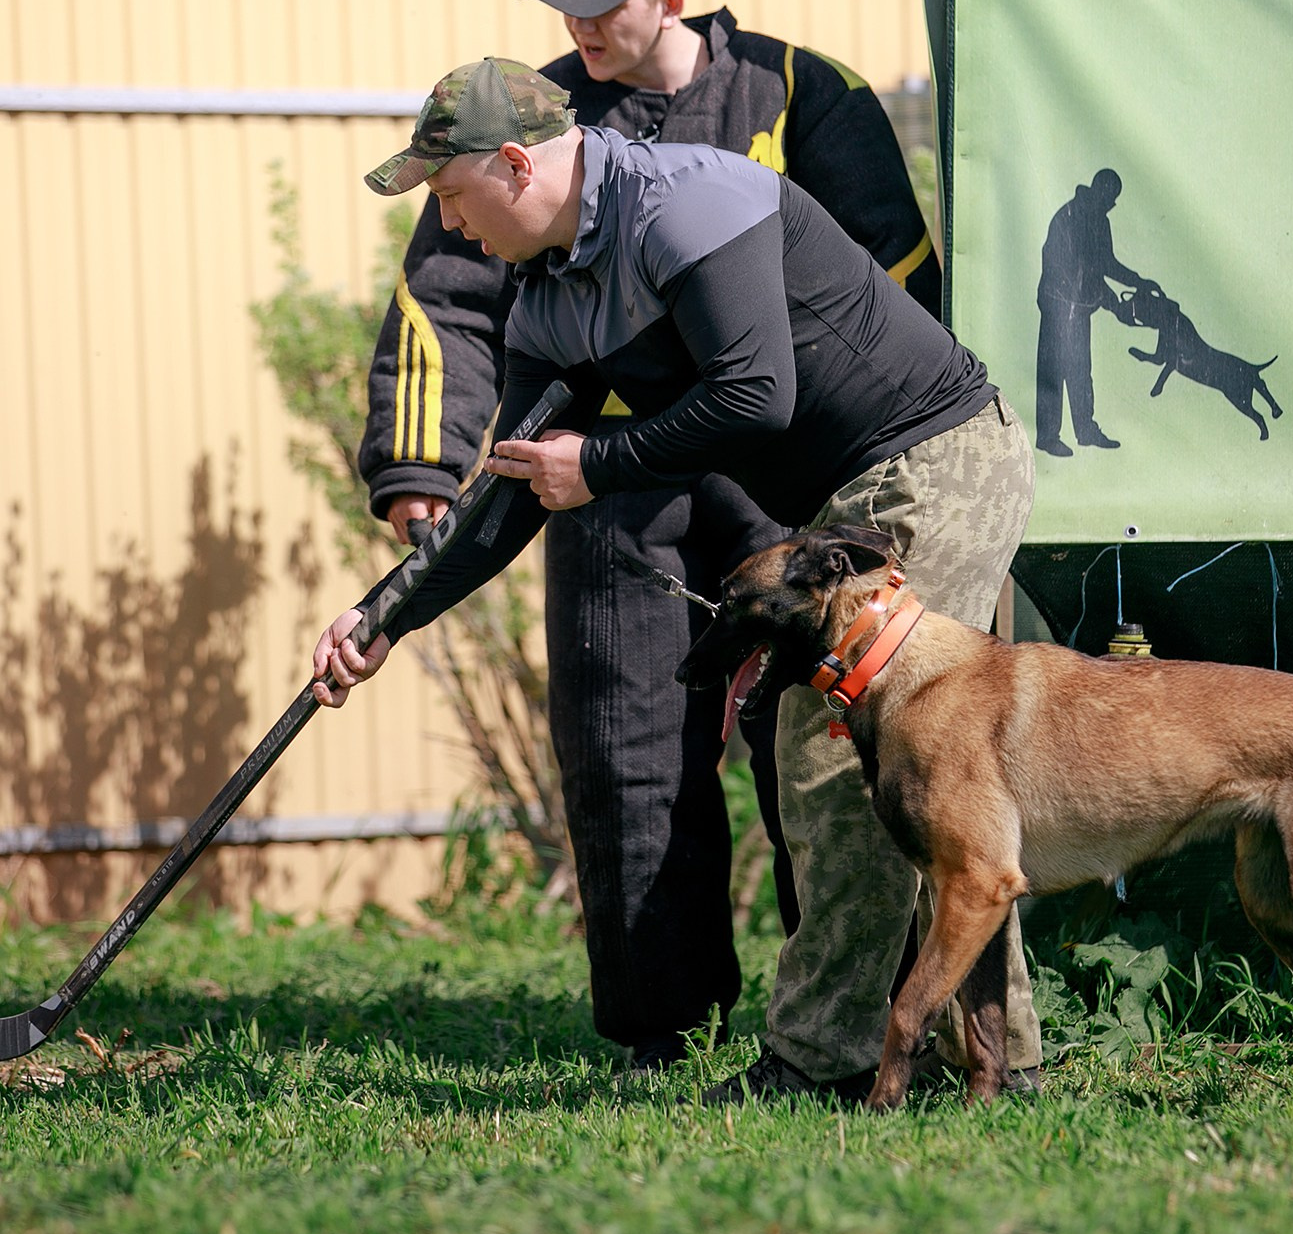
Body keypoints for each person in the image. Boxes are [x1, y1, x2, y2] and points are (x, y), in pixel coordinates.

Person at [321, 58, 1040, 1104]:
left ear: (515, 165)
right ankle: (993, 1061)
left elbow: (755, 393)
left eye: (449, 198)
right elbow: (506, 497)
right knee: (916, 773)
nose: (449, 229)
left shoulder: (692, 199)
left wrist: (599, 464)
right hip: (845, 503)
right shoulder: (549, 296)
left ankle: (820, 1062)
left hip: (936, 460)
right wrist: (383, 617)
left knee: (840, 762)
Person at [1034, 167, 1147, 456]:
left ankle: (1085, 430)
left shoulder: (1099, 220)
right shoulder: (1069, 218)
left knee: (1081, 369)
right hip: (1058, 302)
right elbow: (1078, 272)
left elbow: (1106, 263)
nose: (1113, 204)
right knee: (1053, 368)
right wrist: (1111, 302)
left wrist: (1137, 281)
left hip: (1079, 306)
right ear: (1101, 191)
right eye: (1111, 197)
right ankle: (1048, 437)